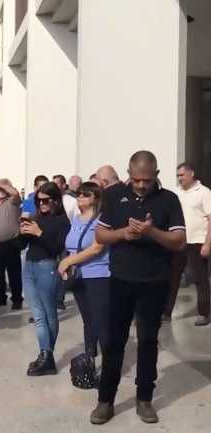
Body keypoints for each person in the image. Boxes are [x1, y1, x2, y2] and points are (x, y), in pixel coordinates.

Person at [91, 151, 185, 425]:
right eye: (136, 179)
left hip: (154, 281)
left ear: (156, 175)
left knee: (147, 341)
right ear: (129, 174)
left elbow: (179, 241)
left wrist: (150, 232)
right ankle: (105, 400)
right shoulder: (114, 196)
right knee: (114, 341)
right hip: (121, 279)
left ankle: (144, 398)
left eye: (147, 179)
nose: (141, 185)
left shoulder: (169, 200)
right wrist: (122, 233)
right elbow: (100, 234)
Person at [20, 182, 70, 376]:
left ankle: (46, 355)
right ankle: (45, 355)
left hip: (47, 266)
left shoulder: (62, 221)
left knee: (48, 314)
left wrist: (39, 233)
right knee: (38, 315)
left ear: (55, 201)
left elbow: (57, 248)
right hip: (30, 266)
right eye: (38, 201)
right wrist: (22, 232)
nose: (41, 204)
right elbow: (21, 245)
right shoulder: (35, 218)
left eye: (46, 201)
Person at [57, 182, 110, 362]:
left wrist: (68, 261)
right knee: (88, 320)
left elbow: (96, 248)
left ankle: (109, 363)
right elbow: (71, 246)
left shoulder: (101, 220)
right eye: (79, 193)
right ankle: (90, 358)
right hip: (78, 275)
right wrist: (67, 264)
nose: (80, 197)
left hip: (98, 275)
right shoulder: (75, 219)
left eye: (86, 194)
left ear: (96, 198)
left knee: (100, 320)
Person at [164, 163, 211, 325]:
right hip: (178, 241)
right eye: (178, 175)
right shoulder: (175, 193)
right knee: (172, 278)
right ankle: (166, 312)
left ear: (191, 174)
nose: (179, 178)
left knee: (200, 278)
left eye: (182, 175)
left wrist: (207, 243)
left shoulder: (204, 193)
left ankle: (204, 313)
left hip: (197, 242)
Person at [0, 179, 23, 310]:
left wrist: (1, 184)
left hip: (12, 242)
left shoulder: (12, 201)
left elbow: (15, 193)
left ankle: (17, 299)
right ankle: (0, 298)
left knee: (14, 273)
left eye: (2, 189)